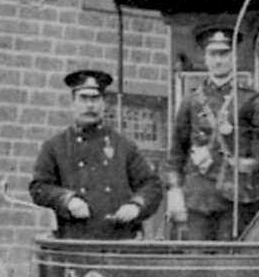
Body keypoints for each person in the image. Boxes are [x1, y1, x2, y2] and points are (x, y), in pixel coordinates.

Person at [166, 27, 259, 240]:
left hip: (234, 199)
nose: (218, 61)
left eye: (223, 54)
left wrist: (257, 186)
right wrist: (175, 193)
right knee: (196, 263)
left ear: (233, 57)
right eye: (212, 54)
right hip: (197, 198)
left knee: (230, 262)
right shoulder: (191, 100)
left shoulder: (249, 100)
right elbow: (176, 153)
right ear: (205, 58)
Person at [29, 69, 163, 240]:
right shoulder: (55, 146)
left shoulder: (124, 145)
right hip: (75, 240)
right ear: (73, 103)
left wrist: (136, 206)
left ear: (104, 103)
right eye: (83, 98)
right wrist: (67, 200)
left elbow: (152, 185)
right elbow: (39, 187)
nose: (90, 105)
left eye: (95, 98)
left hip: (119, 240)